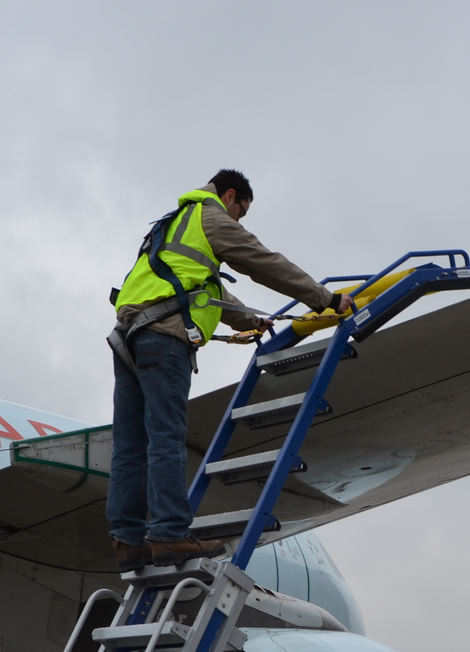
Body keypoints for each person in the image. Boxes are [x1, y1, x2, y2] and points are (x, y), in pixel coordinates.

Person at [107, 169, 350, 570]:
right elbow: (264, 262)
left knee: (131, 445)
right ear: (231, 195)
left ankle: (127, 540)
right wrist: (323, 297)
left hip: (128, 337)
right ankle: (169, 533)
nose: (238, 222)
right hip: (164, 339)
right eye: (241, 213)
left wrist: (247, 319)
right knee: (166, 436)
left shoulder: (171, 225)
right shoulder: (212, 216)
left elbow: (200, 288)